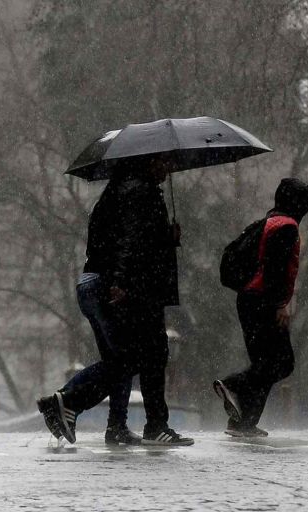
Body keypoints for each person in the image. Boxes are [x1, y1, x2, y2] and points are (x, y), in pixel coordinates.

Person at [38, 161, 194, 447]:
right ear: (147, 163)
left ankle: (116, 425)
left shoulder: (112, 196)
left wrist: (166, 239)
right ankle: (68, 401)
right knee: (139, 356)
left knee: (120, 358)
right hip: (118, 287)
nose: (168, 167)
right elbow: (130, 241)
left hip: (91, 284)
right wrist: (122, 281)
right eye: (163, 160)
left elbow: (120, 240)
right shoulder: (141, 192)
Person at [213, 178, 308, 437]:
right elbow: (275, 269)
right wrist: (280, 304)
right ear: (297, 204)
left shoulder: (266, 222)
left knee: (264, 364)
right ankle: (234, 385)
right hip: (264, 301)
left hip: (248, 299)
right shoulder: (287, 227)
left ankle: (244, 422)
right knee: (282, 363)